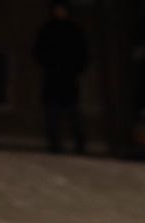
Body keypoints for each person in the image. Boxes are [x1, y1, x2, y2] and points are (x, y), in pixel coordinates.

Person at [34, 1, 89, 154]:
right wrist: (48, 64)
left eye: (62, 10)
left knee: (73, 113)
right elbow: (38, 51)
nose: (60, 12)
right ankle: (54, 143)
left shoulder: (74, 31)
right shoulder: (47, 29)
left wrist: (76, 69)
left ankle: (80, 143)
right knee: (52, 114)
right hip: (52, 79)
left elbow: (83, 53)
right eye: (57, 10)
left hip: (69, 79)